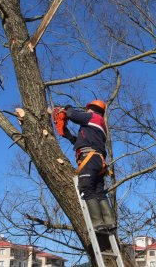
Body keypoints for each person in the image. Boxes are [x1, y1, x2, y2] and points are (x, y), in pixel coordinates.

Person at [64, 99, 116, 233]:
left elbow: (73, 115)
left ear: (92, 109)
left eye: (88, 109)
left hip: (90, 158)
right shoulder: (99, 124)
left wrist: (67, 108)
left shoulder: (93, 116)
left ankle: (97, 224)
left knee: (86, 188)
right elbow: (84, 141)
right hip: (97, 160)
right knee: (99, 191)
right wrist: (69, 136)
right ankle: (109, 222)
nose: (86, 111)